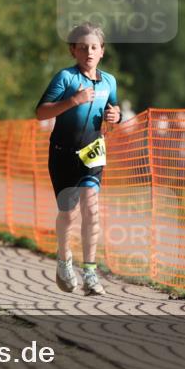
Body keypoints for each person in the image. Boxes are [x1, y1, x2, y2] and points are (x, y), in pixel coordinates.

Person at [36, 22, 120, 295]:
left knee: (92, 210)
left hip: (92, 153)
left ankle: (91, 273)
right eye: (82, 48)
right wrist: (73, 101)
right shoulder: (65, 78)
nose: (89, 52)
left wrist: (115, 116)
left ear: (102, 51)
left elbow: (114, 110)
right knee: (68, 214)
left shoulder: (109, 81)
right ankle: (63, 260)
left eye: (94, 47)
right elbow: (41, 112)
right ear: (73, 50)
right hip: (62, 155)